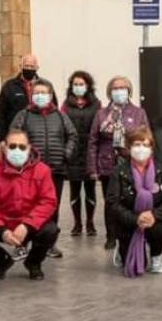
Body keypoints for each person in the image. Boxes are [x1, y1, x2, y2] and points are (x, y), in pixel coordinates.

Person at [0, 129, 60, 281]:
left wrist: (27, 225)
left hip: (29, 225)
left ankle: (33, 263)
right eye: (12, 146)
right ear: (4, 147)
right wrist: (1, 230)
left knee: (50, 231)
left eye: (22, 147)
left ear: (29, 148)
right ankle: (1, 262)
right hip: (2, 223)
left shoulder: (42, 171)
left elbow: (48, 202)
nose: (17, 150)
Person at [11, 79, 77, 259]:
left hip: (56, 170)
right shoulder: (23, 115)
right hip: (29, 171)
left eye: (44, 92)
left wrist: (66, 153)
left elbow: (72, 134)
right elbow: (14, 137)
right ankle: (21, 244)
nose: (40, 96)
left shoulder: (60, 115)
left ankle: (49, 244)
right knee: (26, 208)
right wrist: (25, 157)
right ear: (32, 95)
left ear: (50, 95)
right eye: (36, 93)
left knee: (51, 208)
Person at [88, 76, 150, 249]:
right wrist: (92, 168)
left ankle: (131, 231)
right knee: (111, 202)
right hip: (107, 164)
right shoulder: (102, 114)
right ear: (110, 92)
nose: (119, 91)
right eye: (115, 88)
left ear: (129, 91)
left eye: (123, 88)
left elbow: (147, 138)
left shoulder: (139, 113)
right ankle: (111, 236)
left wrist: (145, 161)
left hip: (132, 163)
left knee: (131, 199)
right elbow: (93, 141)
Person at [106, 126, 162, 277]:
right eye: (137, 145)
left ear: (151, 149)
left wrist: (153, 215)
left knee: (159, 229)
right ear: (129, 147)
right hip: (128, 221)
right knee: (136, 266)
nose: (141, 149)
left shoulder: (160, 170)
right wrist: (135, 218)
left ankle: (157, 256)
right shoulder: (119, 172)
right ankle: (122, 248)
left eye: (146, 145)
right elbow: (113, 204)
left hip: (152, 219)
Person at [63, 70, 102, 237]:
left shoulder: (97, 104)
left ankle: (90, 223)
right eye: (76, 84)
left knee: (90, 188)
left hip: (90, 151)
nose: (78, 87)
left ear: (88, 86)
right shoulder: (65, 105)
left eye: (82, 84)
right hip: (73, 152)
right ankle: (77, 224)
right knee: (74, 188)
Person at [0, 54, 47, 143]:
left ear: (37, 68)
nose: (29, 69)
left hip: (39, 137)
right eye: (26, 66)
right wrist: (2, 138)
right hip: (15, 138)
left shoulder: (45, 86)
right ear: (20, 67)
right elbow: (0, 114)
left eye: (32, 66)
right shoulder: (9, 86)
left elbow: (53, 109)